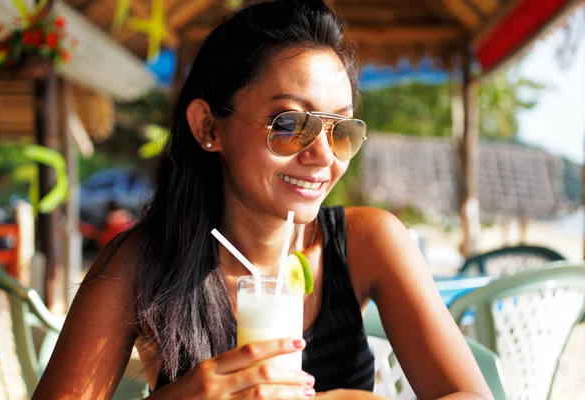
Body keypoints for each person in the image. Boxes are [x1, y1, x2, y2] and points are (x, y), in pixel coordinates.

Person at [33, 1, 493, 399]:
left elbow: (469, 393)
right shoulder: (143, 264)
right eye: (290, 124)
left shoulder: (368, 240)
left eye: (342, 129)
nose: (322, 155)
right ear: (209, 128)